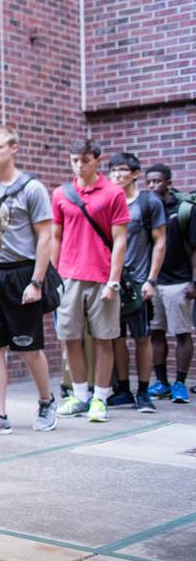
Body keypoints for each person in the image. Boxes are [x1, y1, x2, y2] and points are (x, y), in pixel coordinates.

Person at [0, 125, 58, 435]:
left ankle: (47, 401)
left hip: (23, 272)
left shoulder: (32, 188)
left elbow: (45, 237)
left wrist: (36, 282)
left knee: (28, 346)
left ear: (13, 148)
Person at [52, 139, 130, 423]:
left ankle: (100, 397)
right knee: (69, 337)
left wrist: (114, 280)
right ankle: (80, 395)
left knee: (104, 338)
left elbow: (120, 239)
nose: (79, 166)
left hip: (101, 276)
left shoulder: (113, 193)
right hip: (69, 275)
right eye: (74, 160)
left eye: (85, 160)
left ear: (98, 160)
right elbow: (56, 235)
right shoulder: (62, 193)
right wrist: (53, 275)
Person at [106, 153, 165, 413]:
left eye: (122, 170)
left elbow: (160, 242)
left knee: (142, 337)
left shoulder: (148, 202)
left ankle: (143, 393)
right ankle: (123, 390)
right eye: (113, 171)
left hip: (139, 281)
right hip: (112, 281)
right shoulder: (107, 201)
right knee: (115, 338)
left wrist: (151, 279)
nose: (117, 175)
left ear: (135, 173)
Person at [145, 164, 195, 405]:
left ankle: (179, 384)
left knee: (182, 333)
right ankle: (162, 382)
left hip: (179, 281)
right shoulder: (148, 208)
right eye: (149, 182)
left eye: (157, 181)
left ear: (169, 183)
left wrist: (194, 281)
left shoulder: (183, 210)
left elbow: (194, 249)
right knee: (156, 333)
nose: (153, 186)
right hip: (154, 281)